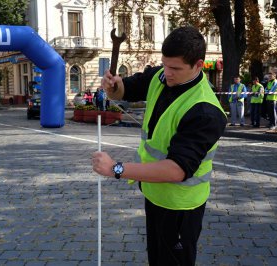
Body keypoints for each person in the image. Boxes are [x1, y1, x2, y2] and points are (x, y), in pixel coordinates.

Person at [92, 26, 227, 266]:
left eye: (175, 68)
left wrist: (117, 169)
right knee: (157, 259)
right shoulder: (160, 77)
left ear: (198, 65)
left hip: (181, 205)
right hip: (154, 194)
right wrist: (114, 86)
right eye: (165, 64)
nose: (168, 73)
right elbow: (125, 90)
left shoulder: (205, 111)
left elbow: (176, 170)